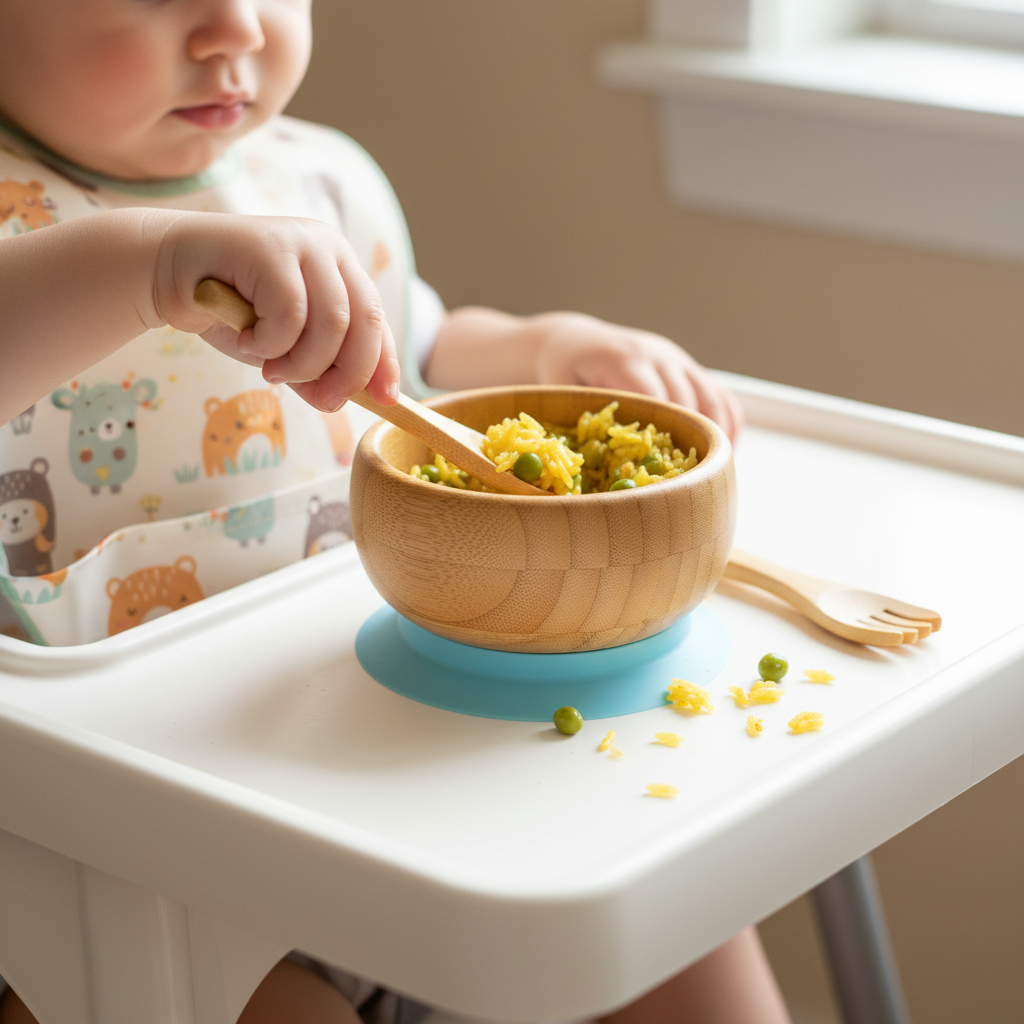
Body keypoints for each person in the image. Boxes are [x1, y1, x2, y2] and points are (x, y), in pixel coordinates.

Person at [0, 1, 783, 1022]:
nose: (232, 27)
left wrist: (544, 350)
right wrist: (145, 267)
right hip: (108, 879)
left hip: (371, 764)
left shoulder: (316, 180)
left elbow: (414, 349)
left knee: (669, 903)